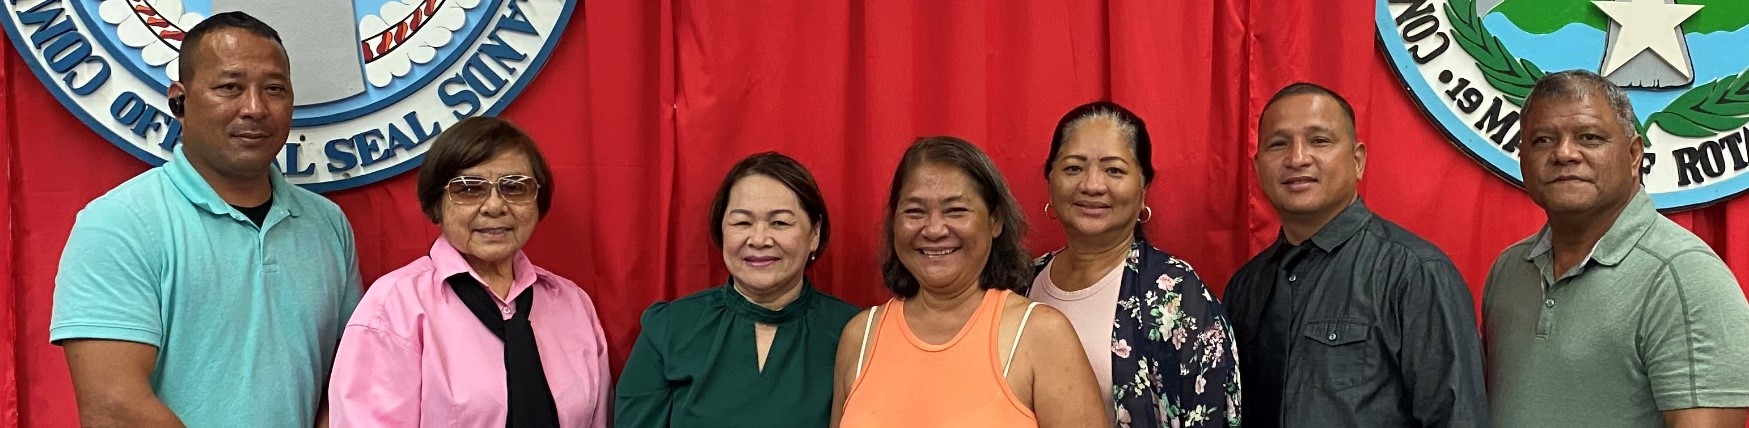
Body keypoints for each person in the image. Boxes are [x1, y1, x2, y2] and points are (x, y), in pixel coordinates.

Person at [50, 12, 361, 427]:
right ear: (179, 100)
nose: (254, 108)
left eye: (274, 89)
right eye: (229, 87)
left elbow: (347, 378)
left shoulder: (328, 225)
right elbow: (114, 410)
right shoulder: (118, 224)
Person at [1483, 70, 1749, 427]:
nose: (1564, 153)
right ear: (1522, 159)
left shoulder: (1683, 275)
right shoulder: (1509, 269)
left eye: (1589, 137)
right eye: (1543, 140)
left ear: (1634, 154)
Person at [1224, 83, 1487, 427]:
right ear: (1258, 168)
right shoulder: (1245, 287)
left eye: (1319, 140)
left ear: (1357, 160)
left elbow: (1457, 418)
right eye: (1278, 144)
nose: (1297, 158)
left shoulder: (1414, 273)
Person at [327, 117, 611, 427]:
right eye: (469, 189)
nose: (494, 206)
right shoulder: (395, 305)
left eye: (514, 187)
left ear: (537, 201)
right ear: (437, 202)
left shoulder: (572, 304)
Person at [834, 136, 1109, 427]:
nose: (934, 229)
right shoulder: (859, 337)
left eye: (956, 210)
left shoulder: (1041, 334)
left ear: (995, 221)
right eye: (914, 212)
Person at [1025, 101, 1241, 427]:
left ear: (1143, 190)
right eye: (1073, 168)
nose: (1092, 185)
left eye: (1114, 170)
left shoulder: (1175, 294)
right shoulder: (1020, 282)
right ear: (1050, 184)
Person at [616, 152, 860, 427]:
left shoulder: (856, 334)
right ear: (721, 231)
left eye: (779, 222)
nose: (759, 239)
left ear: (814, 233)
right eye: (742, 222)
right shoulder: (669, 329)